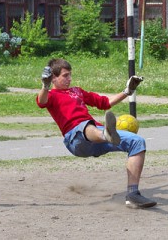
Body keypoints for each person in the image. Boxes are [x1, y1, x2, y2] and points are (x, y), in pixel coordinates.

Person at [36, 58, 157, 209]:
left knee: (137, 141)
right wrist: (45, 86)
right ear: (53, 78)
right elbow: (42, 101)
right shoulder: (51, 95)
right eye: (65, 75)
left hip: (96, 137)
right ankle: (106, 135)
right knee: (86, 125)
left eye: (70, 75)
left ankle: (133, 195)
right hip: (77, 139)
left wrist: (128, 91)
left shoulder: (77, 91)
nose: (70, 79)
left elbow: (105, 103)